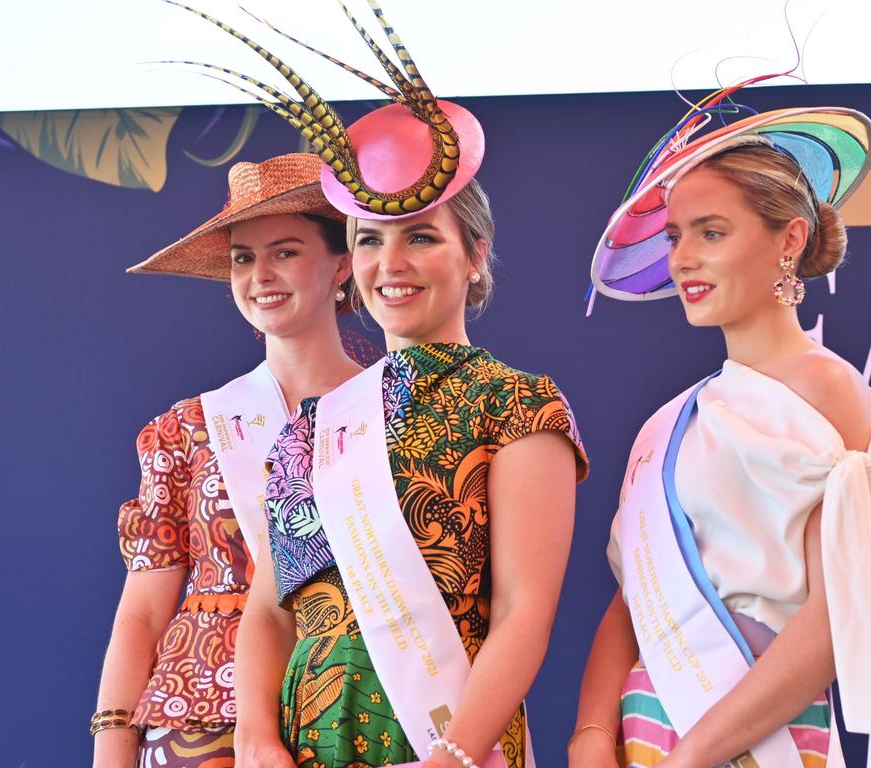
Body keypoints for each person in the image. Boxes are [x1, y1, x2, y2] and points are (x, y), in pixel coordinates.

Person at [167, 4, 588, 767]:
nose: (390, 263)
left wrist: (455, 754)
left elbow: (524, 612)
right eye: (370, 241)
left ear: (474, 257)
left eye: (421, 237)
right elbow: (270, 607)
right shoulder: (311, 427)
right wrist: (258, 739)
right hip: (306, 743)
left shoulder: (521, 405)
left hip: (448, 738)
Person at [573, 84, 871, 768]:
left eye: (711, 232)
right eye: (674, 236)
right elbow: (631, 605)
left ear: (789, 238)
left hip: (761, 738)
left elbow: (836, 613)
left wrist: (693, 756)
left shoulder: (828, 389)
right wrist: (589, 738)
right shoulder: (667, 425)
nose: (682, 259)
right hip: (644, 735)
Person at [92, 152, 371, 767]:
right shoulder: (187, 429)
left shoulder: (398, 415)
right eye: (244, 257)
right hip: (197, 718)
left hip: (355, 707)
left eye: (286, 251)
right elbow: (142, 609)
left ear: (343, 263)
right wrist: (112, 741)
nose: (260, 274)